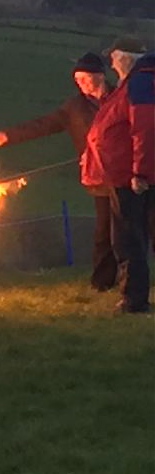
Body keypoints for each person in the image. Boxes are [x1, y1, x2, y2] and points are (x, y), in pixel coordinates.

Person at [0, 52, 115, 290]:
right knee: (104, 232)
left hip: (129, 173)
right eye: (76, 79)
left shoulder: (120, 99)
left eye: (84, 78)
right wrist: (4, 137)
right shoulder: (75, 107)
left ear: (99, 76)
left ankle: (133, 280)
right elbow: (43, 125)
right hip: (99, 178)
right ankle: (103, 283)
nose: (79, 83)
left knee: (138, 227)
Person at [81, 36, 154, 314]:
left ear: (123, 58)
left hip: (131, 179)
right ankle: (134, 297)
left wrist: (141, 172)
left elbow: (145, 129)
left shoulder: (139, 84)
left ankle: (134, 301)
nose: (110, 63)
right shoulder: (132, 85)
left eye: (112, 58)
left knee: (129, 239)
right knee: (132, 237)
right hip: (127, 176)